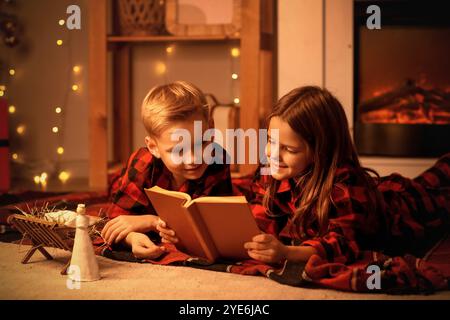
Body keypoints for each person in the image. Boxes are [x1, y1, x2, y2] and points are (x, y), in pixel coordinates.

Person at [244, 86, 449, 265]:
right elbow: (261, 214)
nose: (272, 154)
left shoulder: (344, 187)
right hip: (378, 191)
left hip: (405, 209)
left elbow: (344, 245)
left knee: (440, 187)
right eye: (270, 141)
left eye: (289, 149)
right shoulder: (272, 169)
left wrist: (287, 252)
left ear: (320, 151)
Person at [101, 81, 233, 259]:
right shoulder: (143, 164)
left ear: (210, 128)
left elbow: (217, 224)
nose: (193, 159)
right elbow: (117, 223)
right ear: (154, 147)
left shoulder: (217, 158)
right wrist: (134, 237)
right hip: (126, 193)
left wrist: (158, 223)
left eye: (201, 143)